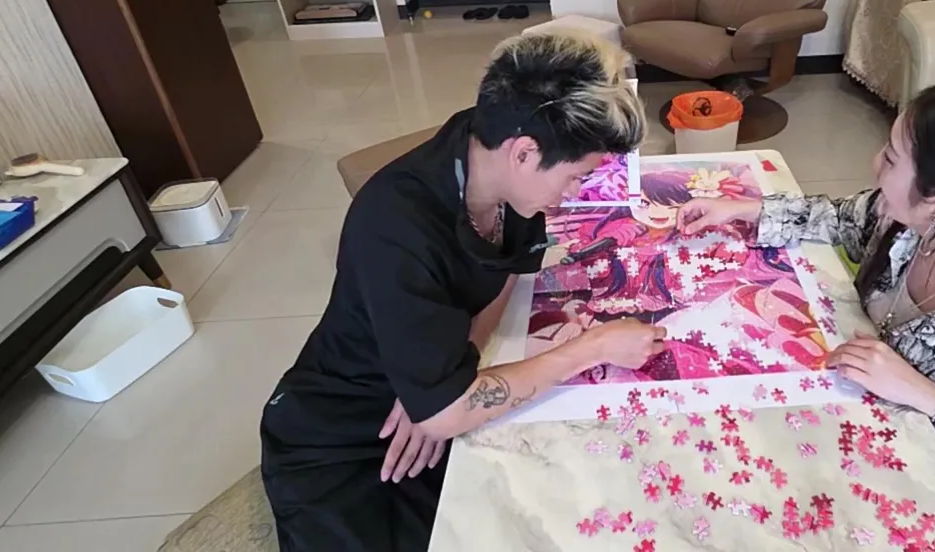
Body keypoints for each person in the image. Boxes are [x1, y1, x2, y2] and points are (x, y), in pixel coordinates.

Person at [260, 33, 668, 552]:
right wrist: (592, 348)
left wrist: (446, 378)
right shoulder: (393, 223)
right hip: (341, 431)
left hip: (424, 399)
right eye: (574, 176)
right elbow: (446, 412)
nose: (574, 195)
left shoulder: (496, 169)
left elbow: (506, 272)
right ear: (524, 152)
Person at [678, 74, 935, 552]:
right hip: (863, 428)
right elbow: (840, 218)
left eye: (892, 157)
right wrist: (744, 210)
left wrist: (927, 396)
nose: (875, 162)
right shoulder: (906, 222)